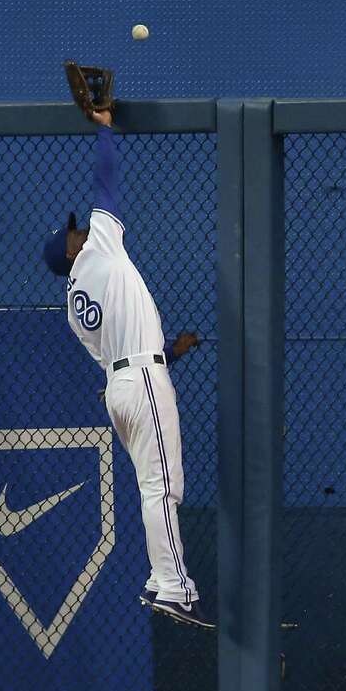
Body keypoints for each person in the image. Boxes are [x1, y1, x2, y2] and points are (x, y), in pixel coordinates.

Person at [41, 101, 212, 629]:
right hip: (139, 382)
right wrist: (106, 131)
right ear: (69, 253)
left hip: (124, 384)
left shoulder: (73, 306)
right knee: (164, 488)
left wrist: (172, 353)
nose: (79, 231)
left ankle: (160, 580)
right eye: (71, 235)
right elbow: (107, 186)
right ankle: (175, 587)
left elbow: (124, 344)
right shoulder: (99, 251)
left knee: (152, 486)